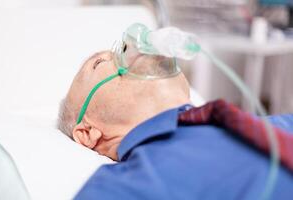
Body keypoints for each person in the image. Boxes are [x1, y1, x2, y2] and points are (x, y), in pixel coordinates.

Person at [58, 51, 293, 200]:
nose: (131, 52)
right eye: (99, 62)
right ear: (87, 133)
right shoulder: (119, 188)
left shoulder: (268, 127)